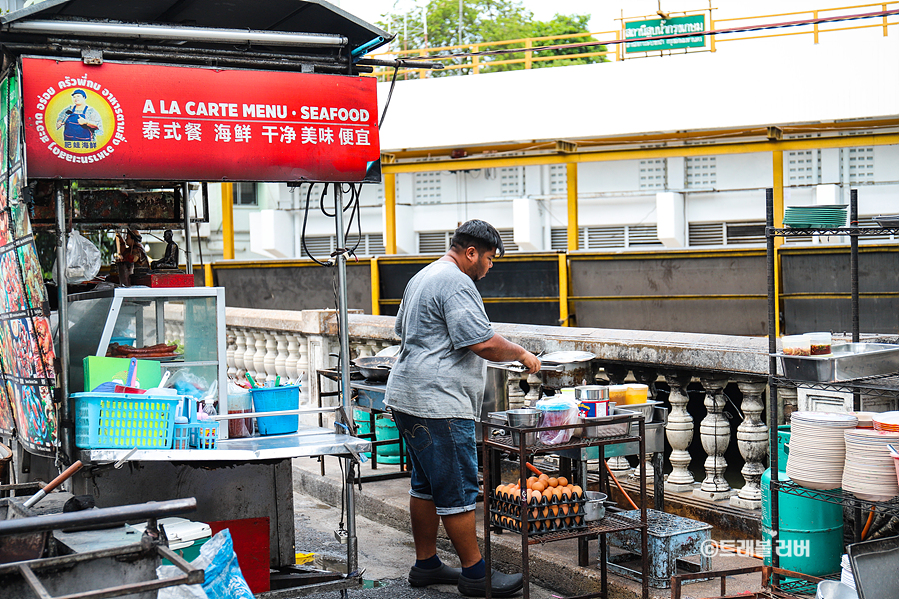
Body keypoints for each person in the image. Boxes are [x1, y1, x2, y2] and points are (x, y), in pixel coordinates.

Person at [384, 219, 541, 598]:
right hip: (437, 402)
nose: (489, 266)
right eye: (489, 258)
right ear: (471, 252)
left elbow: (402, 330)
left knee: (425, 485)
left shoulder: (424, 275)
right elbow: (482, 342)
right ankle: (475, 575)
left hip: (408, 396)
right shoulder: (456, 282)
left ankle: (426, 565)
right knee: (457, 487)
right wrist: (520, 353)